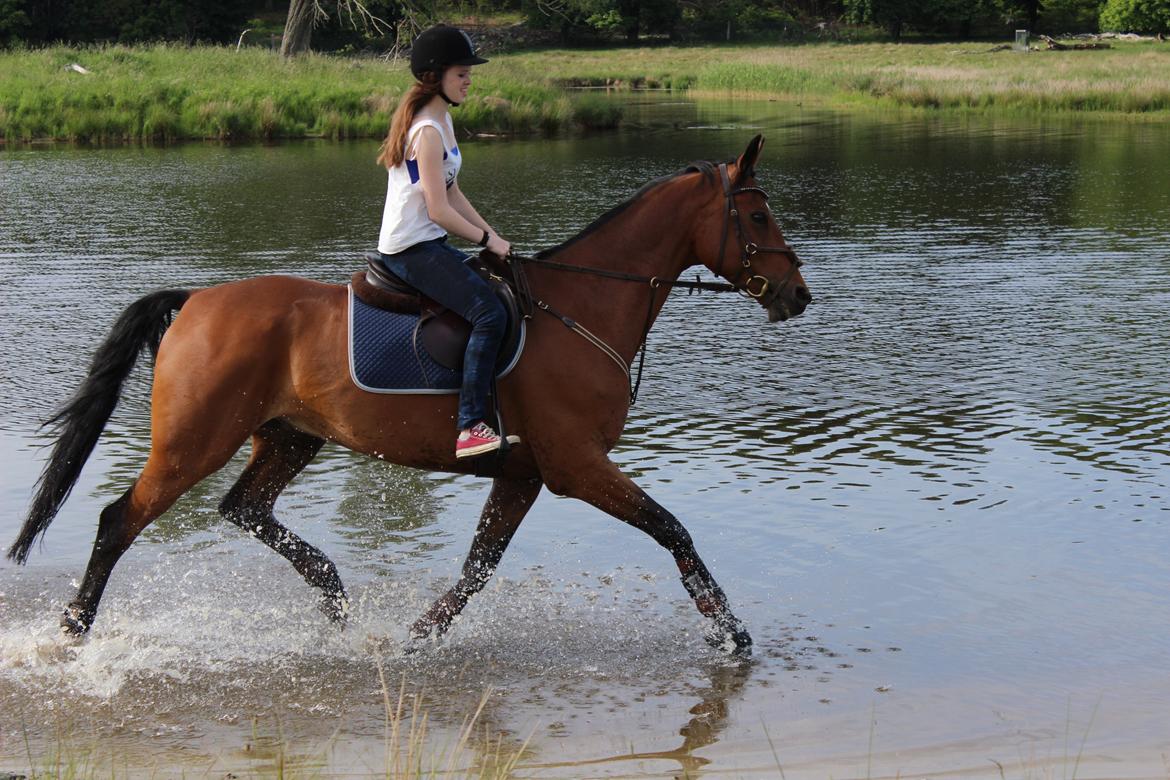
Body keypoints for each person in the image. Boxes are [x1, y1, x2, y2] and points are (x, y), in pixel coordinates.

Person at [375, 25, 511, 459]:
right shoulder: (427, 134)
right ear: (436, 77)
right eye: (462, 73)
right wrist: (486, 238)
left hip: (427, 241)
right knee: (488, 314)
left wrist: (493, 237)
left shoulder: (442, 121)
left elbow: (452, 192)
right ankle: (471, 426)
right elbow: (437, 210)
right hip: (410, 248)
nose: (469, 79)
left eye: (469, 72)